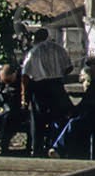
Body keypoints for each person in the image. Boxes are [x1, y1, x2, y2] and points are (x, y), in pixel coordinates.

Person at [20, 27, 74, 157]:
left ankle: (37, 149)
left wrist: (24, 96)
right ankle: (56, 146)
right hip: (56, 85)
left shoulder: (34, 52)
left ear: (36, 38)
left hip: (40, 87)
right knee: (58, 117)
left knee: (38, 120)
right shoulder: (59, 49)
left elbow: (25, 74)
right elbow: (69, 67)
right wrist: (60, 74)